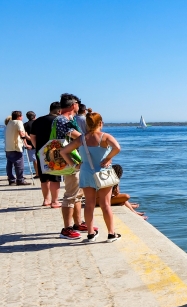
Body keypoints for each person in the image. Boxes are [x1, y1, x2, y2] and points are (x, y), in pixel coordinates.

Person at [61, 112, 121, 242]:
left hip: (86, 172)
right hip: (103, 173)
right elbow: (117, 148)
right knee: (106, 205)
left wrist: (75, 165)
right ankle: (111, 234)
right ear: (100, 123)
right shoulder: (105, 137)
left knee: (89, 204)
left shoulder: (81, 139)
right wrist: (108, 158)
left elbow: (63, 151)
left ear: (87, 124)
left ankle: (90, 233)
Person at [54, 94, 85, 240]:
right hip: (69, 161)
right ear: (73, 105)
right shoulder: (62, 120)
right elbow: (77, 137)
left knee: (77, 194)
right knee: (70, 195)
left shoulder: (67, 119)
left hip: (74, 160)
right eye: (78, 103)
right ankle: (66, 229)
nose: (79, 106)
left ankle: (77, 223)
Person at [29, 102, 62, 207]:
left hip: (41, 151)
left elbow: (32, 137)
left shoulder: (37, 121)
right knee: (55, 178)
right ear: (59, 111)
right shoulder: (58, 120)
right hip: (55, 151)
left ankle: (46, 200)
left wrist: (38, 148)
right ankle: (55, 201)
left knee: (44, 178)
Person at [5, 111, 31, 186]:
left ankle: (11, 180)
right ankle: (20, 180)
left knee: (9, 164)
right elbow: (21, 133)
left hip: (8, 147)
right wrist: (26, 144)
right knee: (19, 164)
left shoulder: (9, 123)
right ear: (19, 116)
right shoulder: (19, 122)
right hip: (16, 147)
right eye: (21, 116)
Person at [23, 111, 37, 178]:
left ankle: (37, 173)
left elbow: (25, 135)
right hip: (39, 143)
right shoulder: (38, 123)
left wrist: (31, 140)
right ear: (35, 116)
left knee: (35, 160)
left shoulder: (25, 124)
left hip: (30, 144)